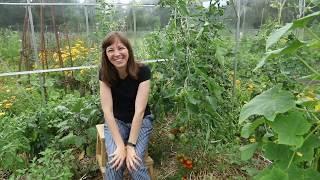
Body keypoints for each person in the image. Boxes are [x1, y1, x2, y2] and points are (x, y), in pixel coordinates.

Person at [99, 31, 153, 180]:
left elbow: (140, 111)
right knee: (115, 161)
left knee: (134, 163)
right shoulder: (104, 74)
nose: (117, 54)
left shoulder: (143, 71)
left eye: (121, 48)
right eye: (111, 50)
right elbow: (107, 112)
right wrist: (120, 146)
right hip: (117, 122)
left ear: (128, 50)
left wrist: (130, 145)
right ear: (106, 54)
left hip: (141, 121)